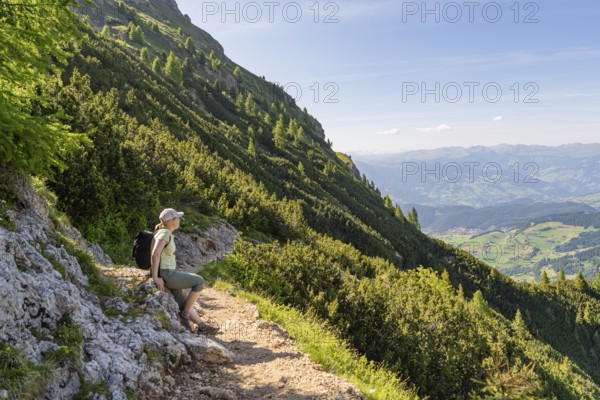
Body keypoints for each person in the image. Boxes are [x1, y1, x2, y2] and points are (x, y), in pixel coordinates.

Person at [151, 208, 218, 334]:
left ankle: (202, 325)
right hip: (167, 274)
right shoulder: (164, 233)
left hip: (167, 272)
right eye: (178, 217)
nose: (179, 219)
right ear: (172, 221)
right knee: (199, 281)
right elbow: (155, 254)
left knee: (184, 302)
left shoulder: (164, 232)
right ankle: (185, 315)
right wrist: (155, 277)